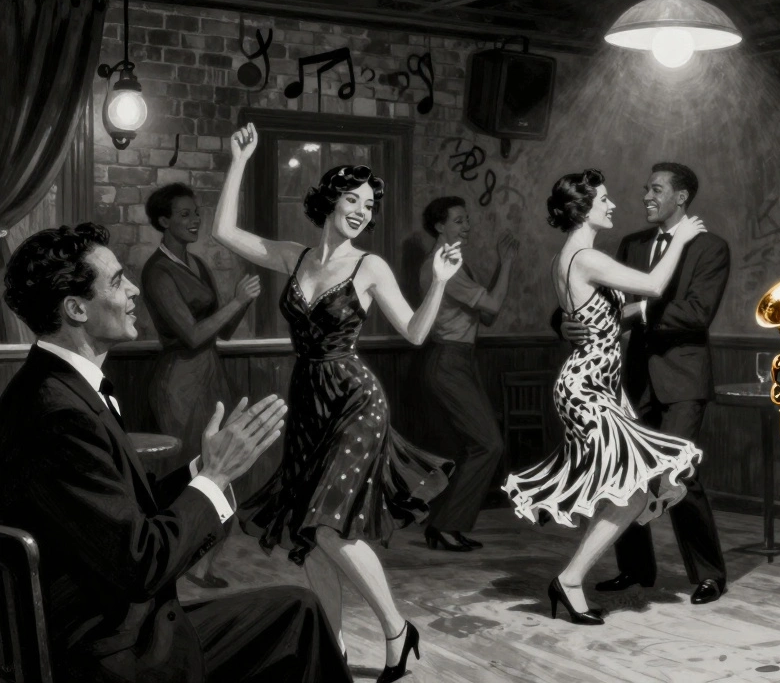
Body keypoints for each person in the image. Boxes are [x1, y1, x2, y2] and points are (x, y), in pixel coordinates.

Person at [0, 222, 348, 683]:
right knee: (298, 616)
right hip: (111, 656)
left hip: (122, 631)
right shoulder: (58, 413)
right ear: (75, 309)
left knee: (297, 610)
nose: (134, 292)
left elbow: (119, 518)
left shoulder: (56, 388)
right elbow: (141, 564)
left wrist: (201, 470)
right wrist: (215, 479)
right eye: (119, 281)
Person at [214, 123, 460, 683]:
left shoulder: (370, 266)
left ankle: (398, 632)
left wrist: (440, 283)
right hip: (308, 400)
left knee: (329, 526)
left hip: (356, 399)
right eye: (354, 200)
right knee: (310, 537)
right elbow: (225, 230)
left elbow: (416, 333)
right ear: (330, 200)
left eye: (370, 206)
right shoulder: (293, 257)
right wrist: (239, 160)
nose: (363, 211)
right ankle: (336, 654)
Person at [504, 169, 704, 625]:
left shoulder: (577, 257)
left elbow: (606, 322)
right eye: (605, 199)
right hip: (586, 389)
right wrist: (681, 238)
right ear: (583, 208)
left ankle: (570, 580)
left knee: (631, 489)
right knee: (632, 490)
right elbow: (653, 287)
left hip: (597, 387)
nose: (613, 205)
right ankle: (570, 581)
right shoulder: (583, 258)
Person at [555, 162, 730, 604]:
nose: (646, 197)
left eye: (656, 190)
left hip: (682, 379)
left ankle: (709, 574)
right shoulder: (631, 244)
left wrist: (637, 313)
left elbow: (696, 314)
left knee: (679, 474)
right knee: (626, 475)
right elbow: (587, 297)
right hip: (630, 380)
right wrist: (566, 326)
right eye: (645, 189)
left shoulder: (710, 248)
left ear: (681, 197)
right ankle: (635, 569)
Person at [141, 182, 260, 590]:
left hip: (211, 377)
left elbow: (221, 332)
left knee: (222, 463)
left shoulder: (198, 264)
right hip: (179, 382)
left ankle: (204, 564)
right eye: (185, 214)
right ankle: (182, 562)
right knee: (192, 468)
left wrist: (242, 302)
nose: (196, 221)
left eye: (197, 213)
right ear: (163, 221)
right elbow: (191, 335)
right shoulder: (156, 271)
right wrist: (234, 301)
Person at [417, 196, 517, 552]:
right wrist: (506, 263)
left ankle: (445, 526)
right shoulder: (442, 266)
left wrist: (497, 274)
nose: (467, 226)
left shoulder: (456, 264)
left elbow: (488, 314)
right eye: (459, 221)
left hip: (460, 362)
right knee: (488, 445)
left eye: (467, 219)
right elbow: (491, 305)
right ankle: (445, 525)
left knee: (476, 446)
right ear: (440, 227)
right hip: (448, 362)